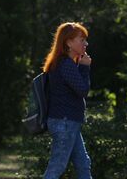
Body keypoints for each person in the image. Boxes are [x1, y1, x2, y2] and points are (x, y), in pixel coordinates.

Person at [42, 22, 92, 179]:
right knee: (57, 167)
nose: (86, 43)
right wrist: (85, 67)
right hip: (64, 122)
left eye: (85, 40)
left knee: (83, 164)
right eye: (81, 39)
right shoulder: (65, 65)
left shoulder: (65, 63)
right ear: (68, 42)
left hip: (68, 122)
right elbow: (83, 90)